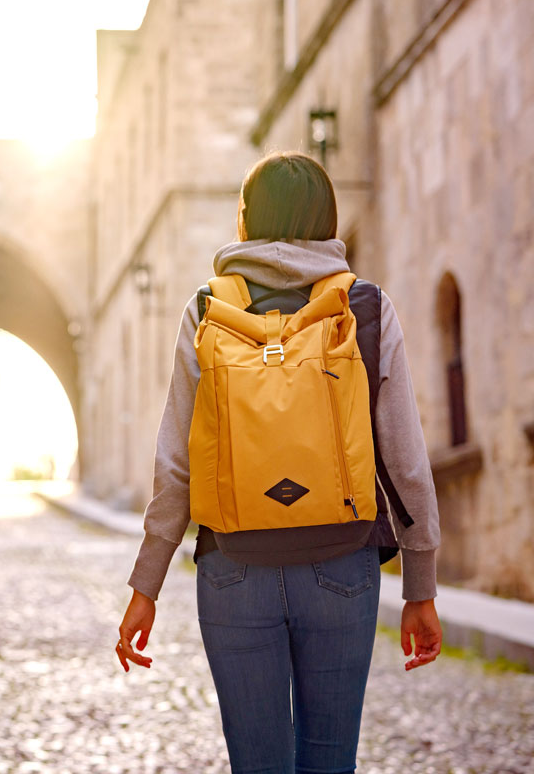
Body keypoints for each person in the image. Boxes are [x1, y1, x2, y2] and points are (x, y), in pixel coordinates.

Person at [114, 151, 443, 773]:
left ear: (246, 220)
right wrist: (421, 587)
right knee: (330, 760)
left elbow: (176, 464)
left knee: (257, 763)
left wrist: (146, 586)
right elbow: (405, 457)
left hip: (234, 569)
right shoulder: (363, 308)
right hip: (342, 565)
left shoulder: (208, 309)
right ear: (328, 217)